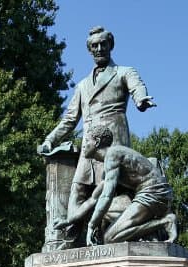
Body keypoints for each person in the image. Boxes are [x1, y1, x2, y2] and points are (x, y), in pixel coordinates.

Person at [38, 26, 155, 239]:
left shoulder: (124, 72)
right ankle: (68, 240)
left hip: (111, 142)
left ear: (110, 45)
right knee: (78, 190)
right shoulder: (82, 85)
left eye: (103, 44)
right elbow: (70, 119)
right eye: (94, 45)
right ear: (89, 50)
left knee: (113, 191)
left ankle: (117, 233)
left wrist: (141, 99)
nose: (99, 48)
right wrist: (49, 140)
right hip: (89, 146)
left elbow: (137, 87)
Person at [55, 124, 177, 244]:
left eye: (86, 141)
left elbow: (107, 196)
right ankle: (148, 232)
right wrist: (68, 220)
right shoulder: (109, 163)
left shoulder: (113, 154)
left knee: (109, 238)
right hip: (149, 195)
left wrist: (92, 225)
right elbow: (93, 199)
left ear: (97, 142)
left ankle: (165, 222)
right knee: (102, 210)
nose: (84, 145)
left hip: (154, 194)